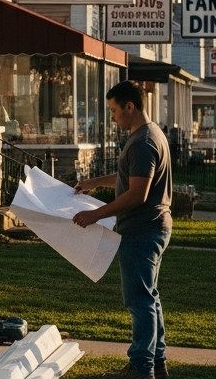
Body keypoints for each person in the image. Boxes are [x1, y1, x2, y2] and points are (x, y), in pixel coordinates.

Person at [72, 80, 172, 379]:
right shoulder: (148, 135)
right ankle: (157, 362)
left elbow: (136, 193)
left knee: (139, 300)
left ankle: (141, 368)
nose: (112, 116)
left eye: (115, 110)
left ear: (131, 106)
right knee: (149, 297)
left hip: (142, 230)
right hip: (151, 227)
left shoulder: (143, 142)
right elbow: (129, 176)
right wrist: (93, 183)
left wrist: (95, 214)